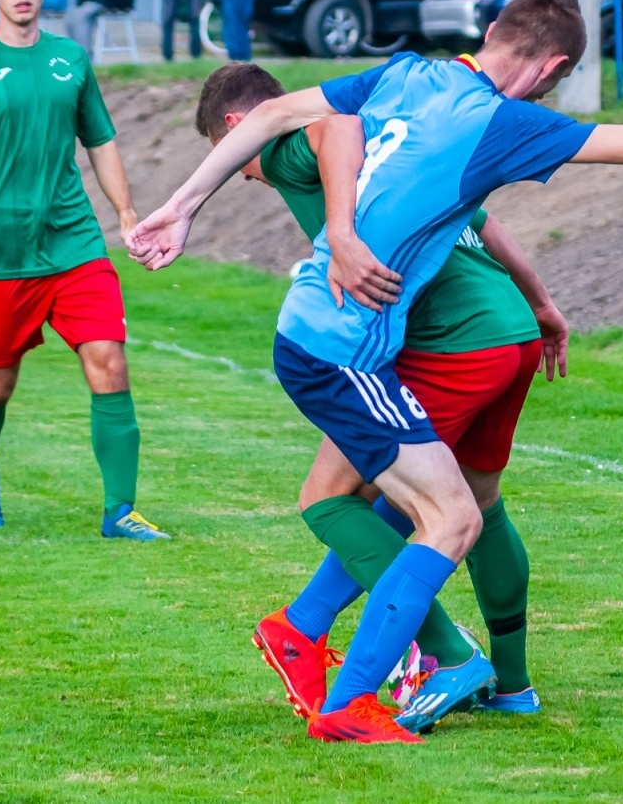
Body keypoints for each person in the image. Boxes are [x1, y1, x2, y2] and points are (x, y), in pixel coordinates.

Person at [126, 0, 623, 744]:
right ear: (550, 68)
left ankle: (355, 669)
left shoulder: (409, 72)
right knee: (449, 516)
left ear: (492, 30)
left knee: (449, 512)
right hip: (340, 350)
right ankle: (359, 694)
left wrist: (184, 205)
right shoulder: (502, 123)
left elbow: (299, 114)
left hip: (345, 343)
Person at [192, 62, 567, 723]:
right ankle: (512, 687)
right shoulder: (397, 137)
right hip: (507, 327)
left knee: (347, 498)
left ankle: (411, 649)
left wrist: (337, 232)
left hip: (455, 339)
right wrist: (541, 305)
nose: (241, 176)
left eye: (229, 157)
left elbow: (330, 125)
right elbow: (488, 223)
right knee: (475, 501)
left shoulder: (282, 144)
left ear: (238, 127)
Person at [0, 0, 166, 541]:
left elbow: (101, 141)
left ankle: (120, 511)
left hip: (75, 242)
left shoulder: (71, 59)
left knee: (109, 361)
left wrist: (127, 214)